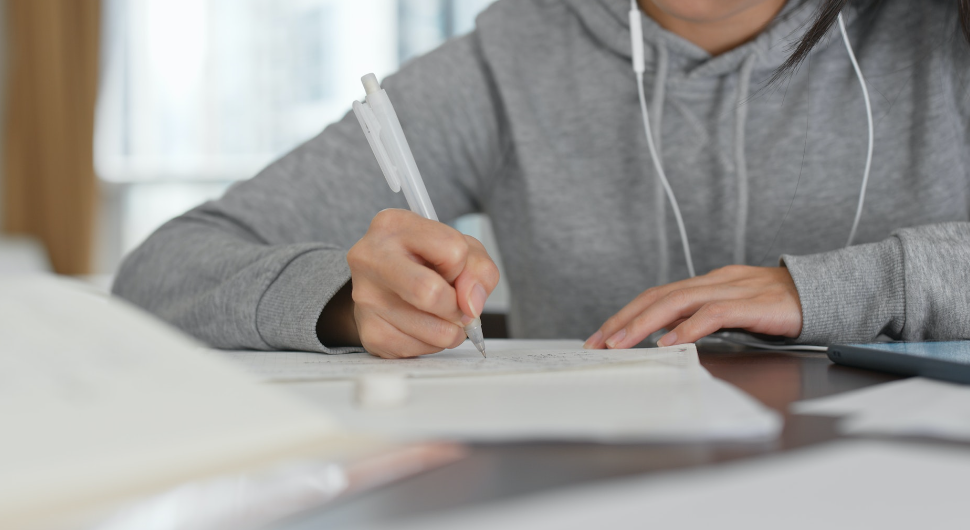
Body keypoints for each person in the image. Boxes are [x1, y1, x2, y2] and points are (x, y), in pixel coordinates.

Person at [113, 0, 970, 359]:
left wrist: (848, 286)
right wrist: (340, 298)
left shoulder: (944, 38)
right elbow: (161, 269)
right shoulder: (504, 64)